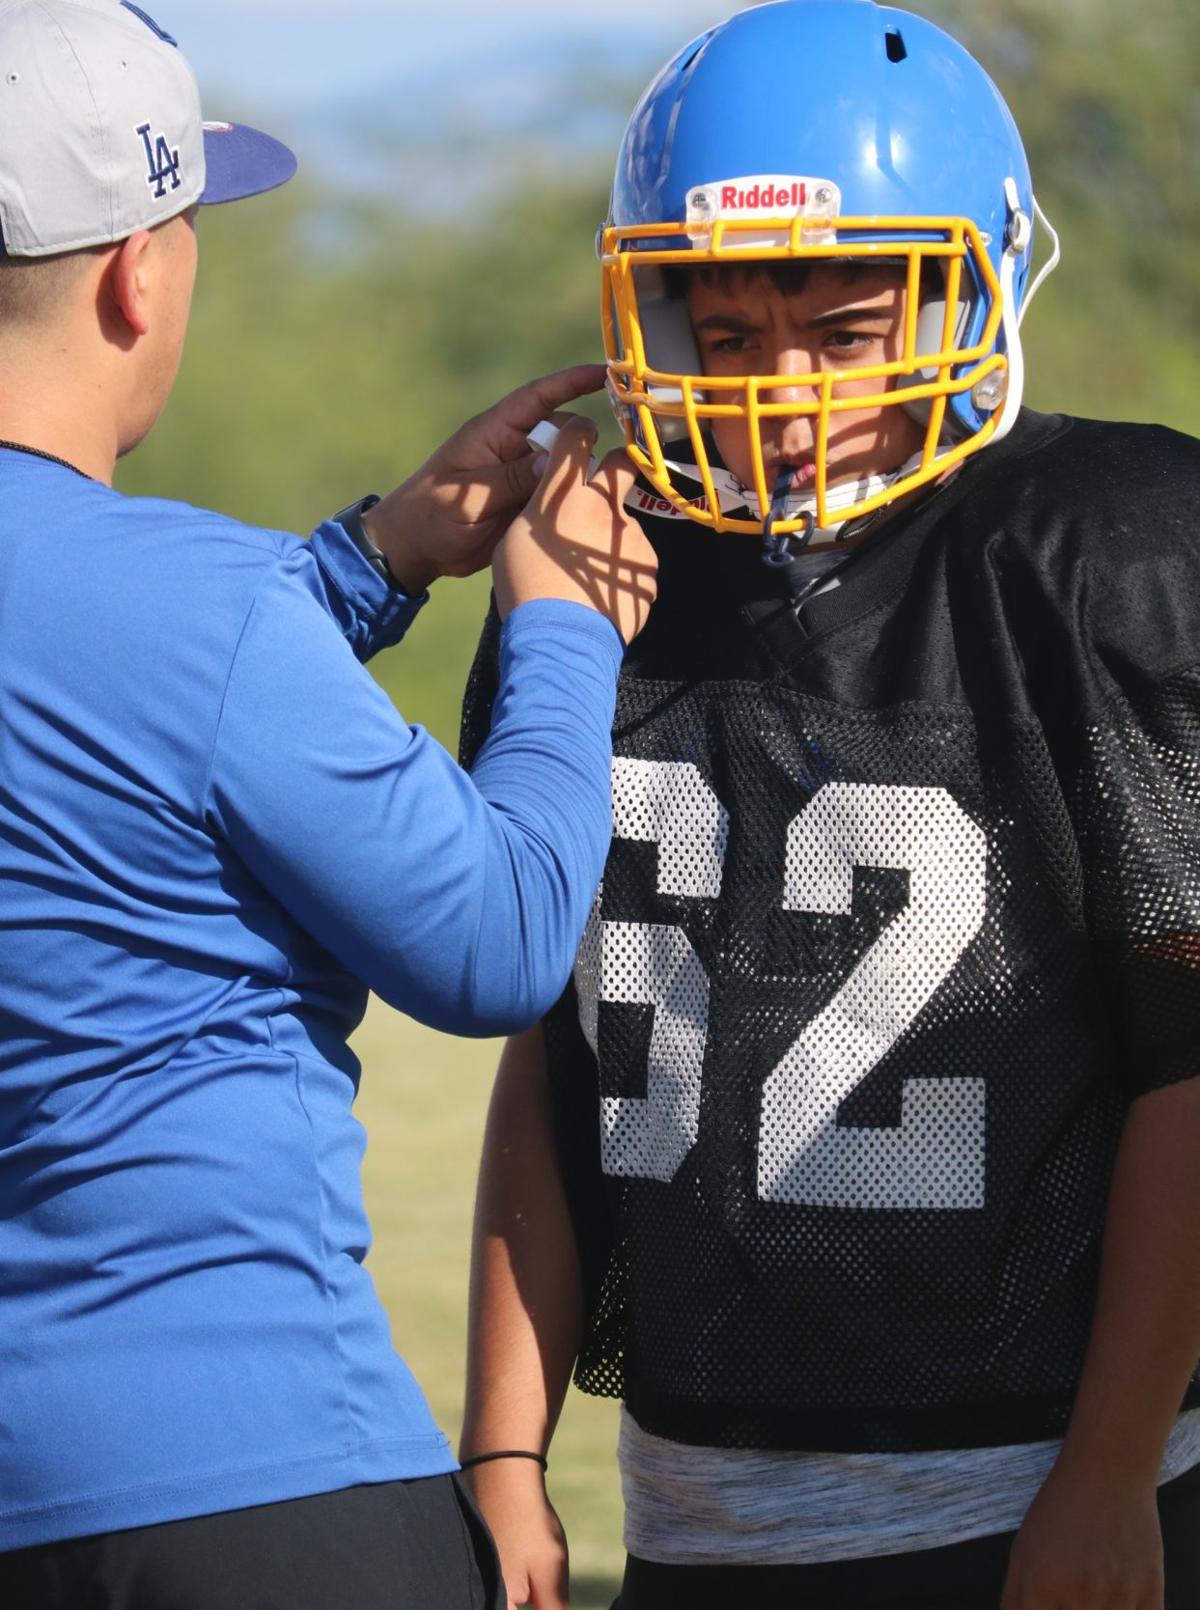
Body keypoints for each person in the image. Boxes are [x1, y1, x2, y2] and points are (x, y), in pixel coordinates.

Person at [457, 3, 1200, 1607]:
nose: (780, 394)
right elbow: (568, 1056)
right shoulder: (596, 580)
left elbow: (1190, 1054)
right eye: (727, 336)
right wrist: (504, 1447)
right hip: (695, 1507)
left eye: (846, 332)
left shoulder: (1097, 551)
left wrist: (1111, 1462)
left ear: (975, 289)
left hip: (1037, 1481)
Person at [0, 2, 656, 1606]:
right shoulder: (201, 605)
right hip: (248, 1475)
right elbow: (498, 938)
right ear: (136, 272)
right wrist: (567, 626)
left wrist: (369, 564)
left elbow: (90, 686)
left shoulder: (203, 613)